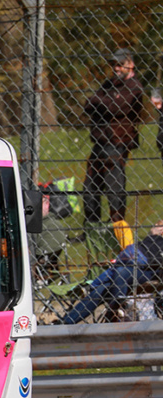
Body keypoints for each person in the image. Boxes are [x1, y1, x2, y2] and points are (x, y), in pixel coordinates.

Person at [82, 48, 144, 259]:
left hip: (117, 144)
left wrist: (102, 103)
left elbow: (118, 107)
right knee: (90, 191)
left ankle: (124, 245)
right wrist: (104, 104)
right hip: (99, 143)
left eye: (120, 64)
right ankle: (92, 237)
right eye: (114, 64)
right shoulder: (109, 85)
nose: (116, 68)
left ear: (130, 65)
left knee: (115, 193)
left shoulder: (134, 87)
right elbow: (89, 103)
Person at [56, 220, 163, 324]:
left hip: (149, 272)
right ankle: (66, 322)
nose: (154, 227)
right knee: (101, 290)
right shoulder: (153, 240)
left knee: (119, 272)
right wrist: (153, 235)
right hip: (133, 268)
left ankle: (116, 304)